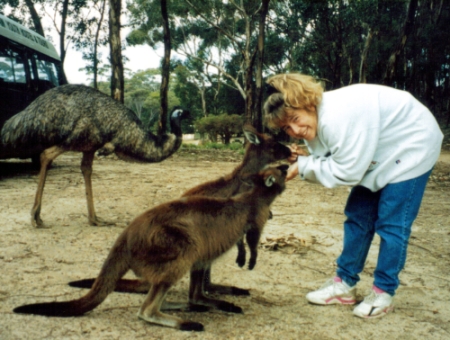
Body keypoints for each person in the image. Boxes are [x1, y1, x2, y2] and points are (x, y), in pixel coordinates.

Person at [263, 73, 443, 319]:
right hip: (379, 149)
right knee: (358, 215)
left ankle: (383, 292)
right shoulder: (319, 118)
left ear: (307, 104)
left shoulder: (337, 115)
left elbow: (348, 171)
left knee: (392, 224)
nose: (295, 130)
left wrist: (304, 167)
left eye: (295, 119)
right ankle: (344, 284)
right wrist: (307, 160)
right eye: (287, 128)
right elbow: (334, 155)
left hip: (412, 144)